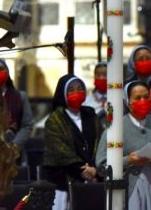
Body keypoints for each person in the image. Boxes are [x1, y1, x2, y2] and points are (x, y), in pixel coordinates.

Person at [97, 80, 151, 210]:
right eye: (138, 98)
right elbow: (102, 165)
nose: (143, 101)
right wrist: (128, 160)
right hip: (128, 190)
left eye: (146, 97)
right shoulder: (116, 128)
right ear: (128, 103)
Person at [43, 74, 102, 210]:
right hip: (63, 180)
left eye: (80, 88)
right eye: (71, 90)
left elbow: (100, 142)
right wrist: (84, 171)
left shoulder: (90, 114)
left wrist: (94, 169)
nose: (76, 93)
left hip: (93, 178)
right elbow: (60, 151)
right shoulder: (54, 120)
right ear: (63, 93)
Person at [0, 58, 34, 158]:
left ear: (7, 72)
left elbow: (27, 126)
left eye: (0, 69)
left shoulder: (20, 97)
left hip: (14, 153)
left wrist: (14, 146)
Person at [83, 61, 108, 126]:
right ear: (94, 77)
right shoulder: (86, 100)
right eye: (98, 75)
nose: (101, 78)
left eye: (105, 75)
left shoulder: (119, 99)